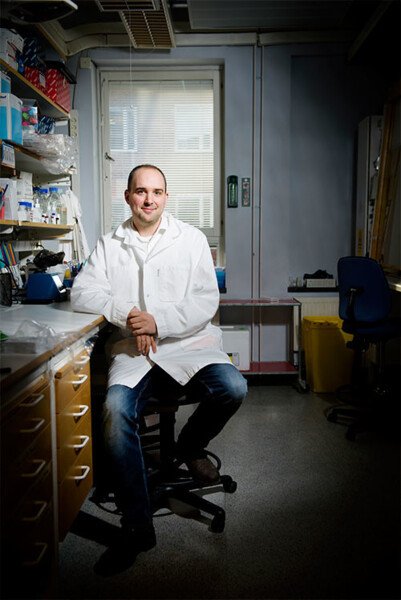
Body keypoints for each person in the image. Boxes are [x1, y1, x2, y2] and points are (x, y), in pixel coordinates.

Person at [71, 164, 247, 572]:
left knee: (233, 388)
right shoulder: (110, 243)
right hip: (135, 351)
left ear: (166, 197)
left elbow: (206, 302)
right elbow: (84, 291)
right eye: (140, 191)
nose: (148, 199)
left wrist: (160, 322)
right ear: (128, 196)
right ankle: (137, 526)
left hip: (189, 345)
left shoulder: (191, 239)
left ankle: (186, 448)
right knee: (115, 411)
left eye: (157, 191)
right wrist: (131, 314)